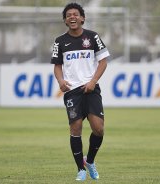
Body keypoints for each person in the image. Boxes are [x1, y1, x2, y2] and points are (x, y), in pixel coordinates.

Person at [50, 2, 110, 181]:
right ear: (65, 20)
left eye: (76, 14)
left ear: (82, 18)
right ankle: (80, 169)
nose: (72, 17)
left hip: (91, 89)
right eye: (69, 15)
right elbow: (57, 66)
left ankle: (89, 161)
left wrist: (93, 81)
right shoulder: (59, 41)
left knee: (98, 129)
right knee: (75, 129)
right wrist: (61, 81)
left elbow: (103, 62)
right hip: (72, 91)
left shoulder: (93, 37)